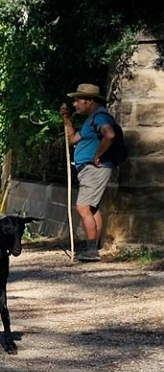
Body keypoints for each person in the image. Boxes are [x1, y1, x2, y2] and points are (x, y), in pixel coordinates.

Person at [60, 83, 117, 262]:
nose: (75, 104)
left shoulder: (99, 117)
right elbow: (72, 139)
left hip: (94, 169)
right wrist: (66, 118)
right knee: (92, 208)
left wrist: (97, 156)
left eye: (78, 100)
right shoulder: (90, 119)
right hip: (89, 170)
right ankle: (93, 247)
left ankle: (91, 250)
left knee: (83, 207)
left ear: (89, 101)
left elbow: (110, 135)